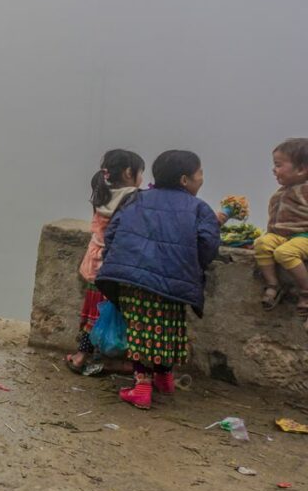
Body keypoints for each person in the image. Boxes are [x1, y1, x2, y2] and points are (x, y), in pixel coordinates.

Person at [97, 150, 224, 409]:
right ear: (185, 180)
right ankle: (161, 380)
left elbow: (113, 234)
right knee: (169, 329)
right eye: (199, 174)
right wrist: (190, 266)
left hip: (133, 279)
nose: (202, 179)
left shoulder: (136, 200)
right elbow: (208, 245)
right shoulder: (199, 209)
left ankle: (142, 384)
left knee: (141, 329)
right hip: (174, 283)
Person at [66, 149, 144, 374]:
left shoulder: (102, 192)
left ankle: (81, 356)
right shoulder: (133, 197)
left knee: (92, 313)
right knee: (116, 315)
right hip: (114, 265)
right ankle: (111, 359)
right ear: (129, 172)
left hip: (93, 262)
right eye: (140, 173)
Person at [254, 138, 308, 324]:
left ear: (301, 169)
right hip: (282, 236)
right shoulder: (281, 192)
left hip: (303, 236)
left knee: (285, 253)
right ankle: (273, 284)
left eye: (278, 165)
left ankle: (306, 291)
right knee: (262, 243)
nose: (274, 170)